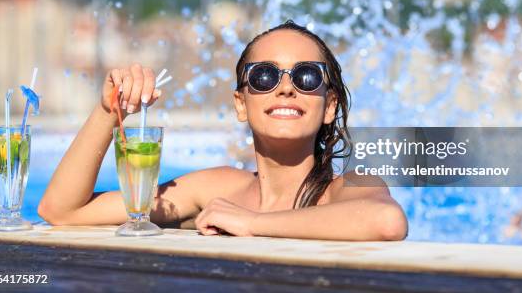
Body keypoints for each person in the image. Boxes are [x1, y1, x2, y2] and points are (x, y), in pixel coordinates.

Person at [38, 20, 408, 241]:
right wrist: (108, 112)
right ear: (240, 104)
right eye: (263, 75)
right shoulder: (216, 189)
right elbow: (63, 210)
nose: (285, 87)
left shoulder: (346, 189)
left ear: (329, 107)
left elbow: (387, 221)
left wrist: (254, 223)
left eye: (306, 75)